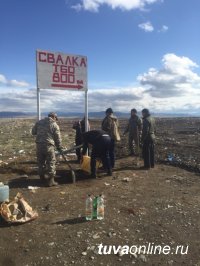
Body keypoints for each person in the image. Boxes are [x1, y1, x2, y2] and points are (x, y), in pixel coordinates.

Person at [32, 112, 63, 186]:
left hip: (39, 145)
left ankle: (42, 178)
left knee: (40, 162)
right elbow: (57, 138)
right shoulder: (54, 125)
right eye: (56, 118)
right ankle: (51, 181)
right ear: (54, 117)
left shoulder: (39, 122)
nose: (56, 119)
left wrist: (41, 133)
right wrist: (59, 147)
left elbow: (33, 132)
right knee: (51, 162)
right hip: (49, 146)